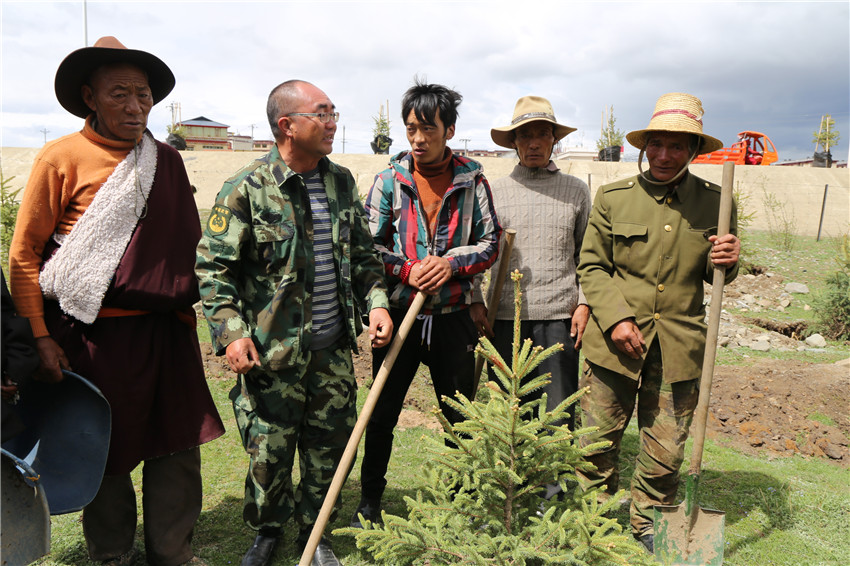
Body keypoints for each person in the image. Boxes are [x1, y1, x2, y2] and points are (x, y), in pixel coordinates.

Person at [9, 36, 225, 566]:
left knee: (176, 444)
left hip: (167, 331)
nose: (134, 107)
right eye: (119, 94)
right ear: (89, 97)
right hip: (93, 334)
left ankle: (173, 552)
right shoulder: (61, 158)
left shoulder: (165, 161)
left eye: (143, 95)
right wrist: (39, 335)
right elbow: (25, 255)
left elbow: (184, 248)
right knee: (103, 444)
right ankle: (112, 554)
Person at [195, 80, 393, 566]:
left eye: (333, 113)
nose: (333, 124)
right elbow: (213, 268)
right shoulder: (246, 188)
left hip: (332, 352)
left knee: (330, 450)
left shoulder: (341, 182)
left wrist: (377, 303)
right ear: (287, 125)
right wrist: (232, 334)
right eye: (321, 114)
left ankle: (317, 532)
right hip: (271, 356)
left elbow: (363, 256)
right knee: (269, 453)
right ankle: (267, 531)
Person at [576, 92, 740, 553]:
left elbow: (716, 273)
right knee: (595, 440)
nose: (664, 155)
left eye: (676, 146)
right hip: (613, 345)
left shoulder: (716, 203)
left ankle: (649, 520)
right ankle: (590, 516)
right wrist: (616, 319)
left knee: (666, 448)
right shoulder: (613, 198)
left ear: (693, 150)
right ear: (645, 146)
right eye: (657, 144)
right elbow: (592, 266)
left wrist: (728, 259)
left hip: (679, 346)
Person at [353, 79, 502, 527]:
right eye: (411, 129)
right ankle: (370, 500)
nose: (418, 139)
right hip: (400, 316)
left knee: (460, 415)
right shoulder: (389, 181)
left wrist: (451, 265)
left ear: (449, 131)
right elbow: (368, 246)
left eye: (428, 129)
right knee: (382, 412)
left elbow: (490, 243)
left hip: (454, 317)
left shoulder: (472, 181)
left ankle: (460, 502)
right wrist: (406, 269)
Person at [487, 96, 591, 442]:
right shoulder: (494, 192)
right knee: (507, 414)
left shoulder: (576, 191)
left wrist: (584, 303)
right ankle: (507, 476)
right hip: (504, 318)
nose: (534, 143)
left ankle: (554, 477)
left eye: (542, 135)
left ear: (554, 140)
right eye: (525, 135)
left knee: (556, 414)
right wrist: (477, 302)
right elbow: (480, 253)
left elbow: (588, 254)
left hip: (559, 317)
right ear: (514, 142)